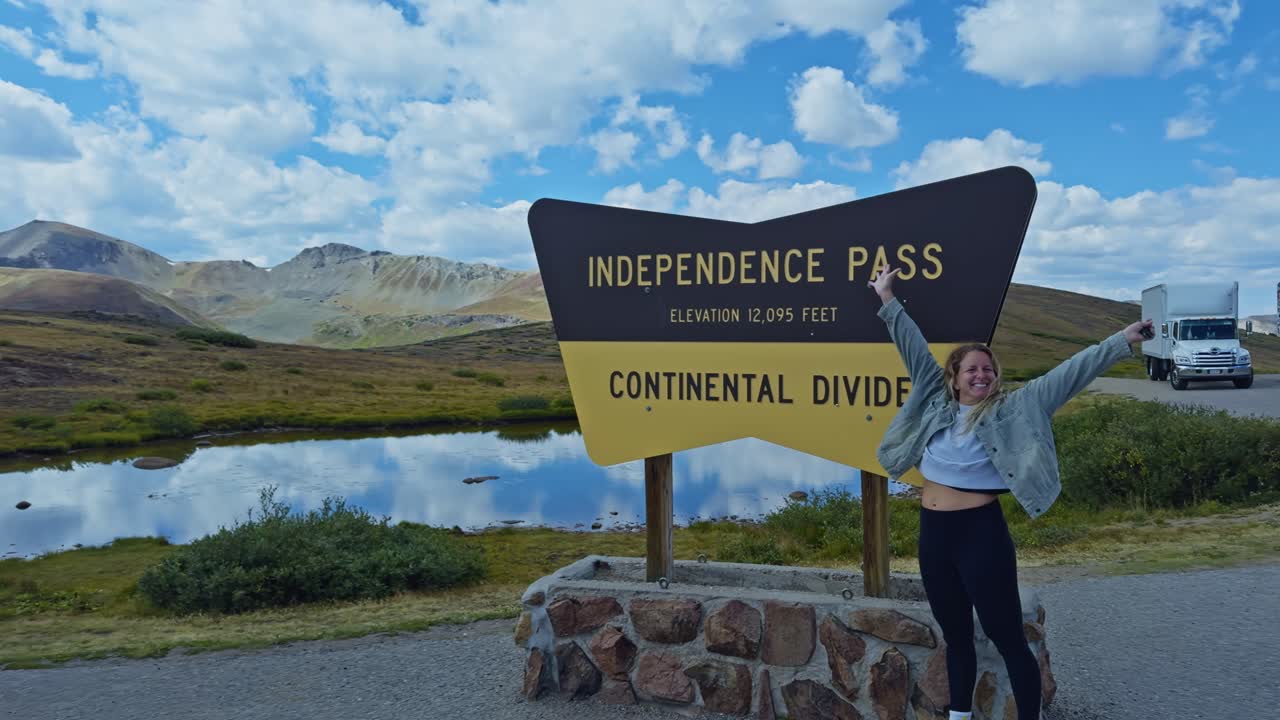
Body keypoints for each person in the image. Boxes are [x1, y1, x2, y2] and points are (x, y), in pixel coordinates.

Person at [868, 266, 1152, 720]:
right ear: (955, 377)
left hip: (981, 533)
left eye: (989, 369)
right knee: (956, 637)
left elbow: (1071, 372)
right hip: (934, 534)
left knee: (1007, 637)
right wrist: (886, 297)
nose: (982, 375)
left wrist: (1122, 340)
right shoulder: (933, 400)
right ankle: (959, 715)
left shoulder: (1017, 407)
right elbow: (912, 346)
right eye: (972, 369)